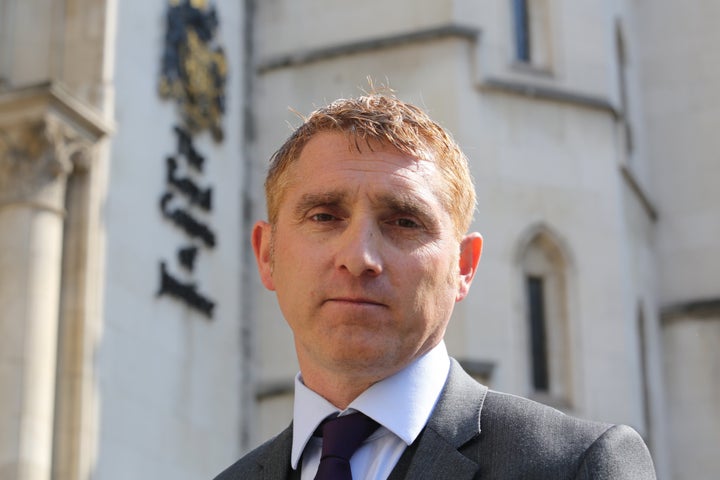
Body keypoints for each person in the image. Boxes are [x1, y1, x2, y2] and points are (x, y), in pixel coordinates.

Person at [214, 92, 656, 479]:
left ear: (464, 265)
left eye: (404, 222)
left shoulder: (576, 466)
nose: (359, 257)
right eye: (325, 216)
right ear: (267, 254)